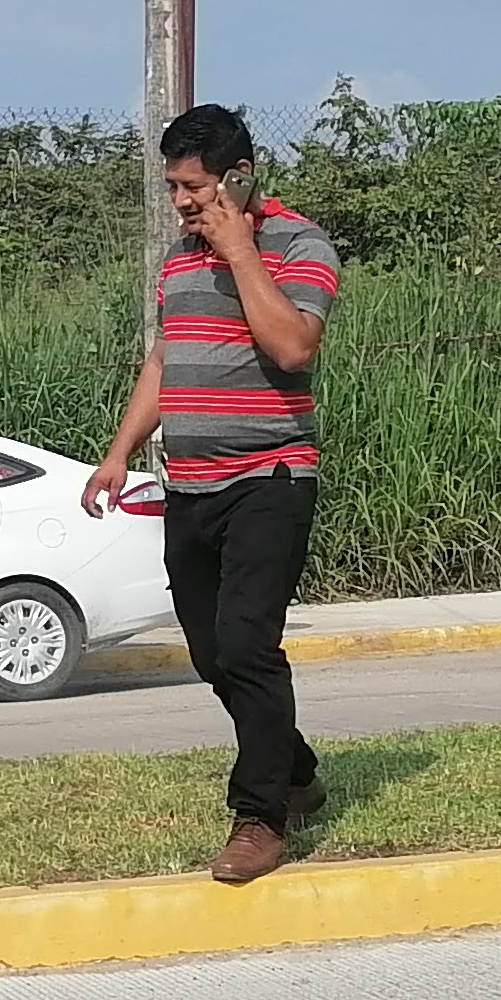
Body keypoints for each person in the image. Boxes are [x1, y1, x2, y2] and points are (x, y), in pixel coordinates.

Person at [85, 104, 341, 884]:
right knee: (210, 653)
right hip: (187, 486)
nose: (181, 203)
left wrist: (240, 253)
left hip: (270, 477)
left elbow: (293, 347)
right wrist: (117, 454)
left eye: (192, 187)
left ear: (239, 176)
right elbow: (166, 361)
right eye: (173, 187)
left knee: (246, 645)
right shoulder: (177, 260)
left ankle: (259, 817)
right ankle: (294, 770)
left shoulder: (299, 244)